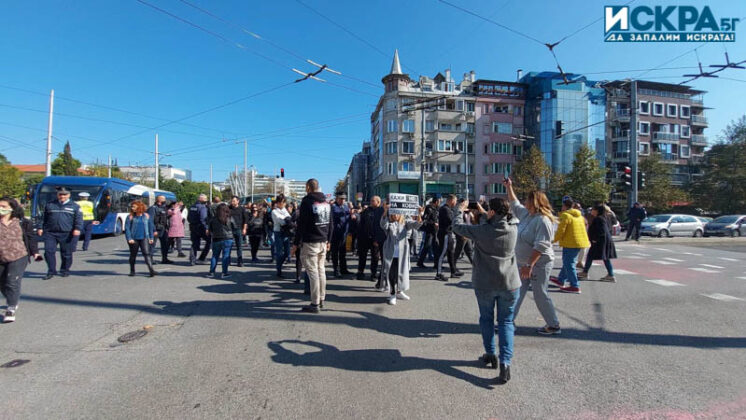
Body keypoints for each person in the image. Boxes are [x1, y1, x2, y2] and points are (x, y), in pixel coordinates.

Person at [452, 197, 521, 385]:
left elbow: (457, 227)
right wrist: (486, 213)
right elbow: (502, 219)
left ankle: (490, 353)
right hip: (510, 282)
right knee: (506, 322)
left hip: (485, 283)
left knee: (486, 319)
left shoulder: (482, 231)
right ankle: (505, 363)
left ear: (492, 212)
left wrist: (459, 209)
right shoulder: (514, 227)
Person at [505, 178, 561, 336]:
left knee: (540, 293)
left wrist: (529, 265)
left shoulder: (543, 220)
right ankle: (508, 321)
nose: (524, 202)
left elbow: (541, 246)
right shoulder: (527, 215)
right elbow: (514, 204)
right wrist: (509, 186)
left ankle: (553, 324)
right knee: (516, 291)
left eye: (527, 200)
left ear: (535, 202)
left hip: (538, 264)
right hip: (524, 263)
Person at [292, 179, 332, 313]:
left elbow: (301, 224)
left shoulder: (307, 201)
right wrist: (329, 240)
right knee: (321, 271)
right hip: (323, 241)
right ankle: (321, 299)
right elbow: (330, 222)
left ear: (308, 187)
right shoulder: (326, 202)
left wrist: (296, 243)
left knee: (312, 272)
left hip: (311, 241)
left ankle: (314, 303)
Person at [0, 197, 41, 323]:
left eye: (3, 206)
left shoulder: (22, 222)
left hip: (18, 256)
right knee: (2, 283)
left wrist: (35, 252)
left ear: (11, 208)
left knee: (12, 280)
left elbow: (30, 237)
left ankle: (11, 308)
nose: (0, 209)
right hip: (1, 257)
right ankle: (13, 298)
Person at [379, 203, 423, 304]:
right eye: (393, 213)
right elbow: (383, 225)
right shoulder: (389, 223)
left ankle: (399, 291)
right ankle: (392, 294)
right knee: (392, 273)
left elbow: (417, 225)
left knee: (402, 273)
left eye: (397, 213)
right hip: (390, 252)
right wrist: (385, 210)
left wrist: (419, 213)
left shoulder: (405, 223)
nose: (395, 215)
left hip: (402, 253)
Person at [37, 187, 83, 279]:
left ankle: (65, 270)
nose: (62, 196)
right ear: (57, 194)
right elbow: (43, 218)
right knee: (48, 252)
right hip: (50, 232)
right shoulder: (50, 205)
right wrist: (40, 227)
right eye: (60, 194)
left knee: (66, 253)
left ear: (69, 195)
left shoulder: (74, 206)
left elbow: (78, 219)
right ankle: (51, 271)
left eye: (65, 194)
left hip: (67, 233)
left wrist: (77, 228)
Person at [551, 197, 590, 294]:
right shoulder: (580, 216)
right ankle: (561, 279)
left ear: (564, 206)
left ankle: (574, 285)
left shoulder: (566, 216)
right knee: (568, 262)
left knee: (569, 263)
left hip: (570, 242)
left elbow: (561, 230)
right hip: (579, 242)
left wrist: (553, 240)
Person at [579, 205, 617, 282]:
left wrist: (595, 239)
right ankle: (610, 275)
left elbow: (602, 231)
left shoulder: (599, 219)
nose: (591, 211)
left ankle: (585, 272)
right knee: (605, 257)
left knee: (592, 256)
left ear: (597, 211)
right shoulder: (605, 218)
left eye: (593, 209)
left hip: (600, 242)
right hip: (605, 241)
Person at [434, 195, 464, 281]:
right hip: (445, 234)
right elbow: (451, 220)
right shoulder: (444, 209)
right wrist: (459, 211)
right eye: (455, 201)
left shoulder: (448, 209)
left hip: (449, 233)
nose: (455, 203)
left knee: (451, 252)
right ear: (451, 200)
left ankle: (453, 271)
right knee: (442, 253)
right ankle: (438, 274)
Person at [356, 196, 385, 281]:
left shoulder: (381, 211)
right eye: (371, 201)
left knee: (375, 257)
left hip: (375, 238)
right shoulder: (367, 211)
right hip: (364, 237)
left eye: (373, 201)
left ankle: (373, 273)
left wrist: (377, 238)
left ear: (378, 202)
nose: (371, 202)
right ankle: (360, 272)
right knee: (362, 256)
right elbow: (361, 223)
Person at [125, 200, 156, 277]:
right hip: (133, 238)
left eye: (134, 207)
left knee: (146, 253)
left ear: (139, 207)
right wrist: (129, 238)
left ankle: (151, 269)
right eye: (132, 207)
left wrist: (151, 237)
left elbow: (150, 227)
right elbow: (127, 228)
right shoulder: (130, 217)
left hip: (144, 237)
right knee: (133, 254)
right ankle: (132, 271)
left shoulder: (146, 216)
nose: (132, 208)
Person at [207, 203, 236, 279]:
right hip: (227, 238)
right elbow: (235, 227)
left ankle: (211, 272)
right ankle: (224, 272)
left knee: (215, 256)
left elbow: (210, 229)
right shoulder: (229, 218)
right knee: (225, 256)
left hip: (216, 239)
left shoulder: (213, 219)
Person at [330, 192, 351, 278]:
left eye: (344, 199)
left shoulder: (345, 207)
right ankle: (336, 269)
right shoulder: (333, 207)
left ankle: (343, 269)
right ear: (337, 199)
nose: (343, 200)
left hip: (344, 233)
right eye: (341, 199)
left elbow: (348, 218)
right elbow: (336, 215)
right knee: (335, 252)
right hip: (335, 234)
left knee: (343, 252)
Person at [147, 195, 173, 265]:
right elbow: (150, 221)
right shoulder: (152, 208)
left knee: (165, 244)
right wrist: (153, 230)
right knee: (152, 245)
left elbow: (165, 218)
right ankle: (150, 259)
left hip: (163, 229)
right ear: (159, 201)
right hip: (155, 229)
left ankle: (164, 258)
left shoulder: (163, 208)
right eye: (164, 200)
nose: (165, 201)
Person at [271, 194, 291, 278]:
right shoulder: (274, 211)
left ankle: (280, 264)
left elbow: (289, 219)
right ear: (278, 203)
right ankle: (279, 270)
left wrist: (287, 219)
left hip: (286, 232)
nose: (283, 204)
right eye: (281, 202)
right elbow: (282, 221)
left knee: (287, 252)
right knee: (279, 253)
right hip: (278, 232)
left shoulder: (285, 210)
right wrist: (287, 219)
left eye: (284, 202)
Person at [417, 196, 440, 268]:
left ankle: (436, 264)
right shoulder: (429, 208)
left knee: (435, 247)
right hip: (430, 231)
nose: (440, 203)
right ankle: (420, 262)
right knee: (427, 246)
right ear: (436, 202)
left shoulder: (436, 209)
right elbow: (425, 220)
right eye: (439, 201)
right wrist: (434, 223)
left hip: (435, 231)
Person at [188, 194, 211, 265]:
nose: (206, 201)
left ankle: (192, 259)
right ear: (201, 199)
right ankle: (202, 257)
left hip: (193, 227)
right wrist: (206, 228)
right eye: (205, 199)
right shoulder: (202, 207)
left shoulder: (192, 206)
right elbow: (203, 219)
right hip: (201, 227)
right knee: (209, 241)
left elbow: (188, 217)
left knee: (194, 243)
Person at [228, 196, 248, 267]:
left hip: (239, 229)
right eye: (232, 201)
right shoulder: (228, 208)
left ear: (238, 201)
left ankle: (240, 261)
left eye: (234, 201)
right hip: (230, 230)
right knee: (229, 246)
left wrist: (244, 229)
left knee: (239, 246)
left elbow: (245, 220)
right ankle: (228, 260)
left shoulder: (242, 209)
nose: (232, 202)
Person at [454, 200, 474, 265]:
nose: (467, 205)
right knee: (458, 251)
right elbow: (457, 224)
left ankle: (475, 265)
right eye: (465, 203)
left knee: (469, 250)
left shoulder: (466, 212)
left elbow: (472, 220)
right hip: (461, 234)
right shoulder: (458, 211)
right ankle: (453, 266)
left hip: (467, 233)